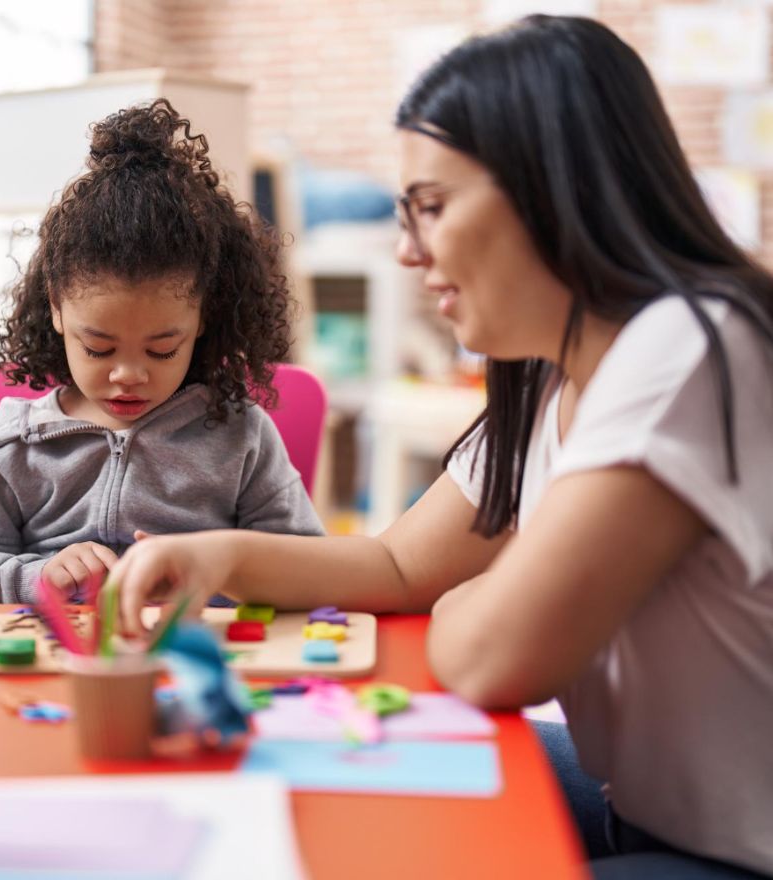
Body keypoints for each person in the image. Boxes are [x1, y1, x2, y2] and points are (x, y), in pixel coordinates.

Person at [107, 16, 773, 880]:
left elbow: (491, 656)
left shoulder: (688, 347)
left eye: (431, 206)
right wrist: (212, 557)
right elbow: (397, 568)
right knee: (342, 806)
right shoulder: (548, 379)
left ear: (550, 188)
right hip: (640, 807)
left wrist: (480, 603)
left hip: (731, 851)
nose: (406, 249)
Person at [0, 99, 323, 606]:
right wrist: (38, 578)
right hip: (56, 672)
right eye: (98, 348)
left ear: (201, 322)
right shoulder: (19, 447)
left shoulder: (240, 437)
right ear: (58, 311)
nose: (129, 375)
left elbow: (308, 566)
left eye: (162, 349)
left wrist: (218, 571)